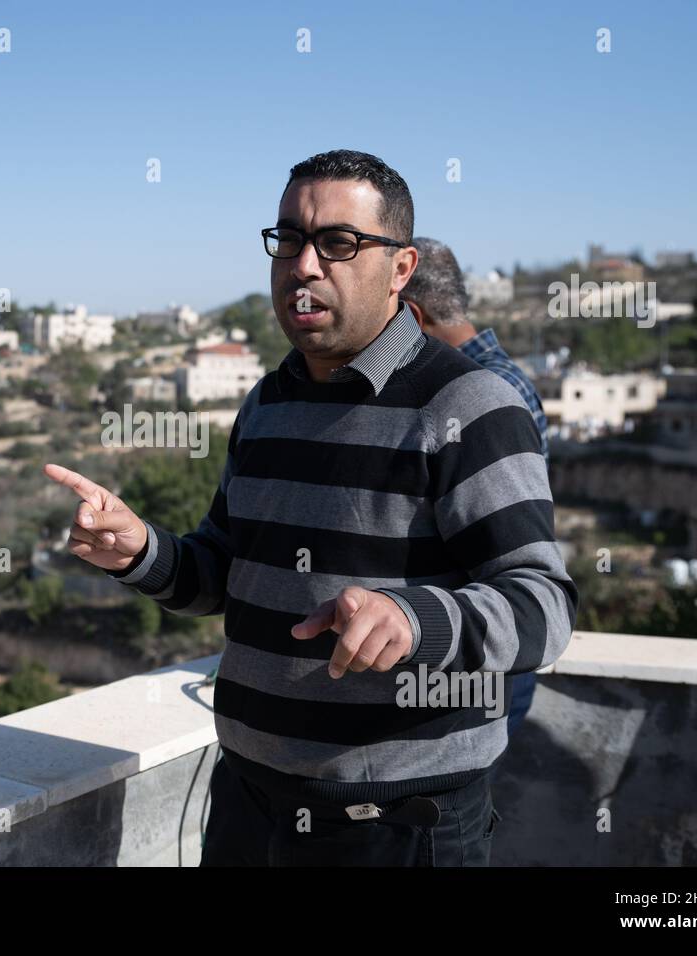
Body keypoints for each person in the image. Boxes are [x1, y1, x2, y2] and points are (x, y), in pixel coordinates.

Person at [44, 149, 577, 866]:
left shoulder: (471, 406)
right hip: (247, 807)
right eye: (289, 239)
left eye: (339, 243)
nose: (303, 265)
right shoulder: (268, 404)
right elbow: (225, 573)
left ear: (401, 268)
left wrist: (414, 619)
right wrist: (140, 551)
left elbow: (544, 607)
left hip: (393, 829)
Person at [401, 237, 550, 740]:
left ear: (413, 318)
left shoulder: (479, 392)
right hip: (481, 649)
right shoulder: (508, 378)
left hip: (479, 658)